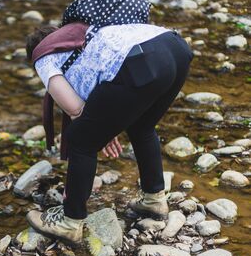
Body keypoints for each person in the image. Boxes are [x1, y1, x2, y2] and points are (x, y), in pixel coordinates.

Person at [24, 20, 194, 244]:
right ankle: (154, 199)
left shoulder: (44, 55)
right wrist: (105, 126)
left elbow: (75, 109)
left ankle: (70, 222)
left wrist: (98, 130)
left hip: (142, 60)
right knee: (141, 126)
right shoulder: (82, 35)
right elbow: (107, 99)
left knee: (80, 140)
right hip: (175, 47)